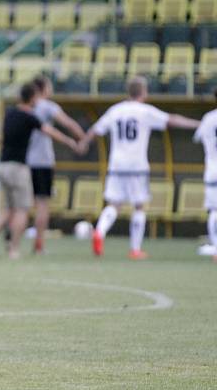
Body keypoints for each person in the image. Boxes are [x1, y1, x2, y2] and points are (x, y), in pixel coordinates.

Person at [79, 76, 200, 259]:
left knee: (114, 205)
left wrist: (83, 143)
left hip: (117, 165)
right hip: (137, 165)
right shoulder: (144, 111)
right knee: (139, 206)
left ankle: (99, 232)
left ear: (128, 91)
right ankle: (135, 249)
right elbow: (171, 120)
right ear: (143, 92)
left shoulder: (115, 110)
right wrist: (199, 124)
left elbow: (96, 130)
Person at [0, 83, 79, 259]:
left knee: (9, 207)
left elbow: (3, 136)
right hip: (19, 167)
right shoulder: (30, 117)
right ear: (33, 97)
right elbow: (50, 131)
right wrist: (70, 142)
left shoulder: (10, 113)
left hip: (2, 165)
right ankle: (14, 249)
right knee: (22, 209)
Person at [26, 76, 85, 254]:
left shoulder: (25, 107)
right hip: (43, 162)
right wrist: (82, 138)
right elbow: (67, 123)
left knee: (21, 204)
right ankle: (39, 244)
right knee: (43, 204)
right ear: (43, 88)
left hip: (25, 161)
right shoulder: (48, 107)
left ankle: (8, 240)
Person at [194, 94, 217, 261]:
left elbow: (197, 137)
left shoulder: (208, 118)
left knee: (214, 210)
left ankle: (216, 248)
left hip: (213, 170)